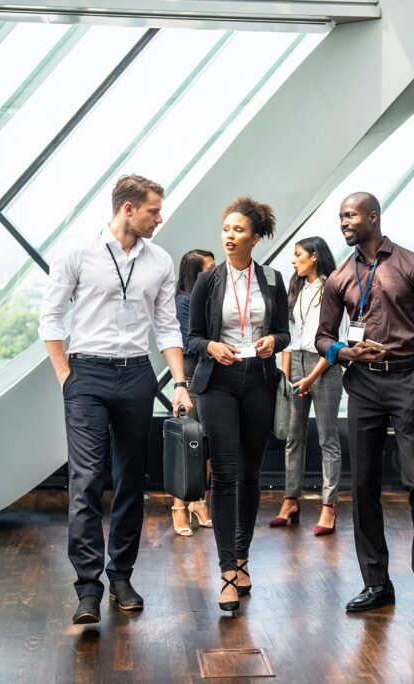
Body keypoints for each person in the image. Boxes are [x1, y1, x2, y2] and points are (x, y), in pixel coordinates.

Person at [39, 174, 193, 625]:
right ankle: (88, 587)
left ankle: (120, 575)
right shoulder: (77, 253)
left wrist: (180, 383)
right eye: (152, 211)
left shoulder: (159, 260)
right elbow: (49, 318)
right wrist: (66, 375)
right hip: (86, 374)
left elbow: (167, 326)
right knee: (86, 481)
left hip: (136, 376)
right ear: (128, 208)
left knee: (131, 482)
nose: (159, 218)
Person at [315, 192, 414, 613]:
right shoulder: (339, 277)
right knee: (363, 485)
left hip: (407, 379)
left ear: (373, 217)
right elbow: (322, 337)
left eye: (351, 215)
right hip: (363, 386)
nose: (344, 222)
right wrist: (343, 352)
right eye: (340, 216)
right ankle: (377, 583)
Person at [186, 197, 290, 613]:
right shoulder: (207, 281)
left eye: (238, 230)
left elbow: (284, 331)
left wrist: (272, 342)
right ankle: (228, 571)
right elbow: (192, 337)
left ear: (256, 237)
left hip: (260, 381)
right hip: (219, 383)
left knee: (250, 475)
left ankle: (243, 558)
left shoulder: (272, 278)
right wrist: (211, 346)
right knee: (225, 474)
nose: (229, 236)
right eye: (226, 229)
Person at [269, 237, 345, 535]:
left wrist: (310, 377)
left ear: (314, 256)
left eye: (298, 255)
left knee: (328, 439)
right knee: (293, 437)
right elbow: (290, 334)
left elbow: (336, 340)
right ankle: (290, 501)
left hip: (324, 365)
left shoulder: (333, 287)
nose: (293, 260)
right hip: (296, 363)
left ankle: (329, 507)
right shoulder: (296, 288)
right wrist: (286, 377)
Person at [172, 248, 216, 536]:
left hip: (211, 368)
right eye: (208, 268)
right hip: (191, 370)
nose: (214, 272)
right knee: (186, 439)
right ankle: (178, 507)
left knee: (207, 439)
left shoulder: (208, 297)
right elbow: (191, 339)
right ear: (195, 272)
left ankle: (200, 502)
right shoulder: (184, 300)